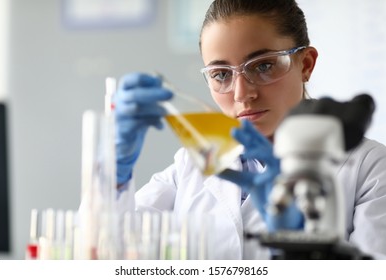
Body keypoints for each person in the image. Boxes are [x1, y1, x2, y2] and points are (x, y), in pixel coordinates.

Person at [113, 0, 386, 259]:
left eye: (263, 66)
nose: (242, 94)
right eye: (221, 74)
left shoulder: (370, 167)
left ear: (305, 64)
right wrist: (115, 170)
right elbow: (109, 252)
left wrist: (300, 245)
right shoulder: (190, 166)